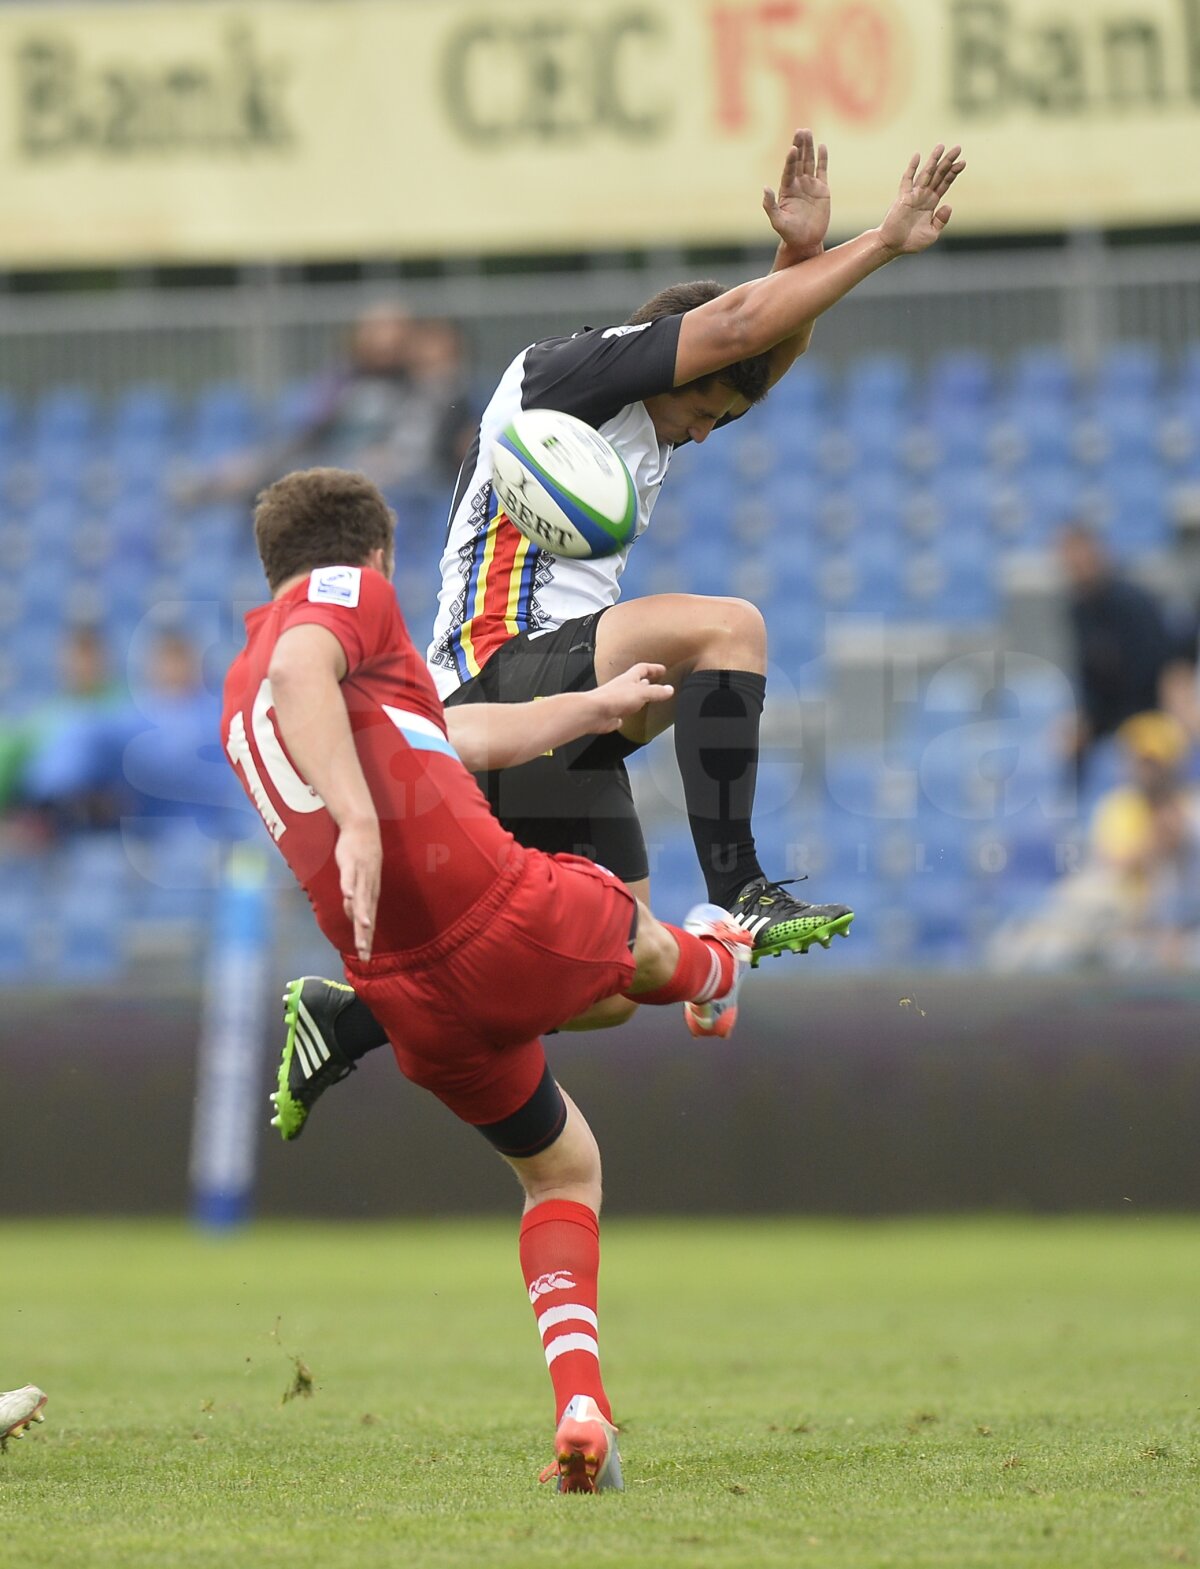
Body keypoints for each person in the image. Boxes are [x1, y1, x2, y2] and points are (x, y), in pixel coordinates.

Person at [271, 133, 965, 1135]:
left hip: (556, 703)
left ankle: (348, 1019)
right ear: (668, 356)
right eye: (700, 410)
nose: (700, 433)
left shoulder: (653, 412)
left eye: (718, 424)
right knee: (729, 629)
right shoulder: (570, 375)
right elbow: (729, 329)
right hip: (493, 682)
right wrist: (881, 244)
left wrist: (796, 267)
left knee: (612, 976)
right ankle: (741, 897)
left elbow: (747, 348)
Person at [222, 467, 757, 1490]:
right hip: (494, 910)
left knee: (562, 1173)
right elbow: (303, 665)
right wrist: (364, 821)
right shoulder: (338, 610)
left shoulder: (247, 694)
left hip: (414, 998)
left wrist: (589, 707)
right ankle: (719, 966)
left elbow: (452, 737)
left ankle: (584, 1412)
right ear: (372, 557)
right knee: (639, 931)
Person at [987, 711, 1200, 972]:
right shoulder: (1120, 805)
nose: (1145, 770)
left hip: (1146, 918)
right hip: (1111, 905)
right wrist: (1155, 842)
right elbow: (1114, 865)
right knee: (1066, 918)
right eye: (1140, 761)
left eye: (1153, 762)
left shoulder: (1189, 809)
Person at [1058, 525, 1181, 784]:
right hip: (1108, 717)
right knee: (1068, 746)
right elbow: (1088, 678)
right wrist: (1085, 721)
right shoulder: (1077, 611)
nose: (1077, 564)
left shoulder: (1134, 602)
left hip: (1147, 713)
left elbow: (1155, 668)